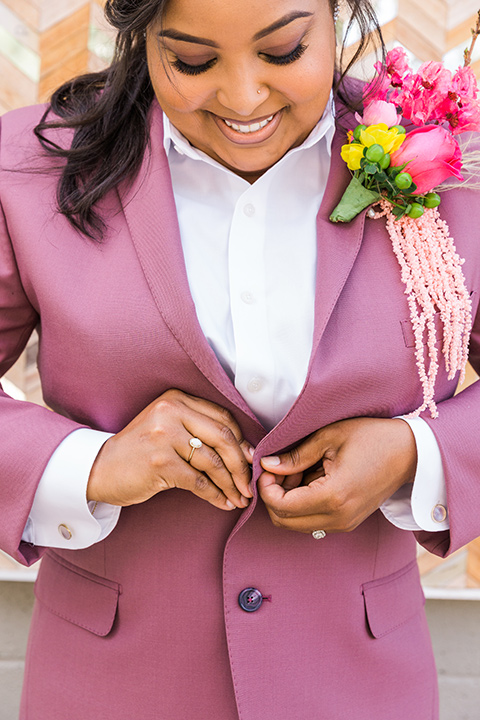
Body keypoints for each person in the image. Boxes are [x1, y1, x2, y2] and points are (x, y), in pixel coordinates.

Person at [1, 0, 479, 717]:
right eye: (191, 60)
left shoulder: (446, 159)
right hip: (107, 689)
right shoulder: (30, 168)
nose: (242, 97)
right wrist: (89, 466)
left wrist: (418, 454)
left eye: (283, 51)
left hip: (359, 687)